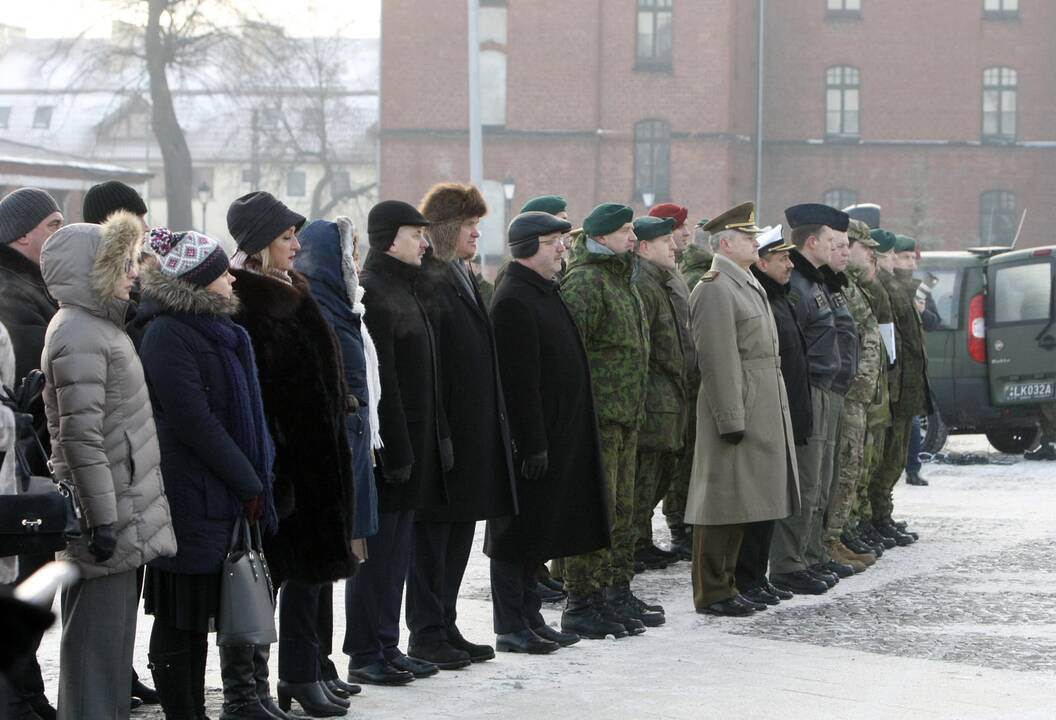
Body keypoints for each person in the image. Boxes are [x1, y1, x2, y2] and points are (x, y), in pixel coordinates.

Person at [132, 227, 278, 719]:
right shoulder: (168, 333)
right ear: (198, 280)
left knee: (203, 608)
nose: (232, 280)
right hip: (189, 494)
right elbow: (194, 421)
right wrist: (248, 478)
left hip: (221, 492)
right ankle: (184, 711)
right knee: (182, 614)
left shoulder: (222, 329)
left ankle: (229, 699)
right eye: (221, 273)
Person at [39, 212, 177, 720]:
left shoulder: (98, 327)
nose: (133, 273)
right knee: (94, 650)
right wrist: (100, 520)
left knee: (111, 643)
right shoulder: (79, 332)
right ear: (92, 271)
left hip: (121, 505)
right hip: (109, 513)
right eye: (122, 263)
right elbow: (81, 439)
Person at [226, 191, 358, 719]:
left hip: (317, 456)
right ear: (259, 244)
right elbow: (260, 391)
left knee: (308, 577)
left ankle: (300, 673)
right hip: (285, 464)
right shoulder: (249, 300)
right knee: (266, 581)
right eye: (286, 237)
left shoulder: (292, 288)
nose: (297, 246)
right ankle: (259, 685)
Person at [487, 211, 611, 651]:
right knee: (515, 537)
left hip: (557, 437)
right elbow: (518, 383)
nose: (562, 248)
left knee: (538, 534)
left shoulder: (544, 291)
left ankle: (530, 617)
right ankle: (510, 626)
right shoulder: (514, 299)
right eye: (552, 241)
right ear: (525, 248)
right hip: (531, 443)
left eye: (561, 240)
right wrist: (532, 443)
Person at [345, 200, 451, 686]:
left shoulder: (406, 289)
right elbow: (379, 381)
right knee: (379, 556)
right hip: (390, 453)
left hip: (413, 449)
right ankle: (367, 650)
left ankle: (386, 644)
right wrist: (396, 451)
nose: (424, 243)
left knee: (397, 554)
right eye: (416, 234)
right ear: (390, 238)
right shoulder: (375, 293)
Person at [411, 182, 516, 669]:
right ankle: (427, 631)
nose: (478, 233)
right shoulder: (430, 278)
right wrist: (445, 433)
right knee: (434, 540)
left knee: (457, 538)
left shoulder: (461, 273)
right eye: (471, 225)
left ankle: (445, 623)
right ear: (449, 228)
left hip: (471, 433)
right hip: (445, 434)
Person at [685, 202, 799, 617]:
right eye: (749, 237)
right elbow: (718, 360)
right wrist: (730, 417)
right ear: (726, 243)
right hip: (736, 404)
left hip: (758, 398)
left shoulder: (743, 282)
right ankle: (713, 590)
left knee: (743, 501)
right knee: (721, 500)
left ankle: (731, 582)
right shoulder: (715, 287)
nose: (756, 242)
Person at [560, 202, 658, 637]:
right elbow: (569, 352)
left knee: (623, 509)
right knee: (596, 509)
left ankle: (615, 589)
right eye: (624, 232)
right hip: (599, 417)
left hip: (626, 415)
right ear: (601, 238)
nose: (633, 238)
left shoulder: (623, 280)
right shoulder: (585, 282)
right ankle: (582, 599)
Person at [295, 216, 382, 702]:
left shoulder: (343, 304)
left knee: (335, 563)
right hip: (333, 450)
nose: (353, 261)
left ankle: (321, 663)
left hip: (350, 444)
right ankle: (306, 666)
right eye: (346, 252)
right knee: (319, 566)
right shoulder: (321, 306)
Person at [82, 178, 159, 709]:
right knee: (100, 591)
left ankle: (121, 671)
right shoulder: (85, 312)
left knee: (126, 583)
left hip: (129, 464)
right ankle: (103, 681)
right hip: (103, 471)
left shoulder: (125, 300)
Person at [0, 187, 62, 719]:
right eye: (52, 225)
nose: (58, 235)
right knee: (20, 583)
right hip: (19, 473)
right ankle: (17, 697)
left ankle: (24, 693)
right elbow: (26, 394)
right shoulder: (12, 297)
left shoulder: (31, 287)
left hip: (27, 470)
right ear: (21, 234)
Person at [768, 203, 851, 595]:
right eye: (834, 242)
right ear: (813, 241)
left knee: (821, 480)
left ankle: (810, 554)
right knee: (806, 481)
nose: (841, 250)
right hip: (811, 388)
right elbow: (793, 345)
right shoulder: (799, 285)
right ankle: (789, 562)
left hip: (828, 387)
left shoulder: (816, 281)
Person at [739, 225, 809, 606]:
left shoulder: (780, 297)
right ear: (762, 261)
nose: (789, 265)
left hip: (784, 406)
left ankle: (757, 575)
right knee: (758, 499)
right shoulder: (759, 294)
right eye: (782, 258)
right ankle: (747, 576)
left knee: (772, 498)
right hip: (761, 407)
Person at [822, 219, 883, 572]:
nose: (847, 252)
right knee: (840, 467)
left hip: (860, 394)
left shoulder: (850, 284)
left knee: (851, 465)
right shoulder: (833, 285)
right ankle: (829, 539)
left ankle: (837, 535)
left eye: (849, 246)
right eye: (842, 246)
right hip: (844, 392)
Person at [630, 215, 686, 573]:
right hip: (652, 403)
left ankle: (641, 541)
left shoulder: (661, 282)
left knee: (655, 478)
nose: (675, 247)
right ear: (645, 247)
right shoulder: (644, 285)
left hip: (669, 399)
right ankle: (634, 545)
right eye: (667, 241)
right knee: (642, 482)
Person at [647, 203, 697, 560]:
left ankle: (641, 542)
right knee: (651, 473)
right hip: (659, 391)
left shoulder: (672, 273)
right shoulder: (653, 278)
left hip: (681, 385)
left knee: (673, 463)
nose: (684, 235)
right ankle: (669, 529)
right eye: (674, 231)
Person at [869, 234, 926, 545]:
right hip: (893, 388)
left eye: (905, 257)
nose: (903, 263)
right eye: (898, 257)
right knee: (883, 459)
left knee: (894, 458)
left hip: (904, 388)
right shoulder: (885, 289)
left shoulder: (896, 288)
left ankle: (881, 514)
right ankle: (874, 517)